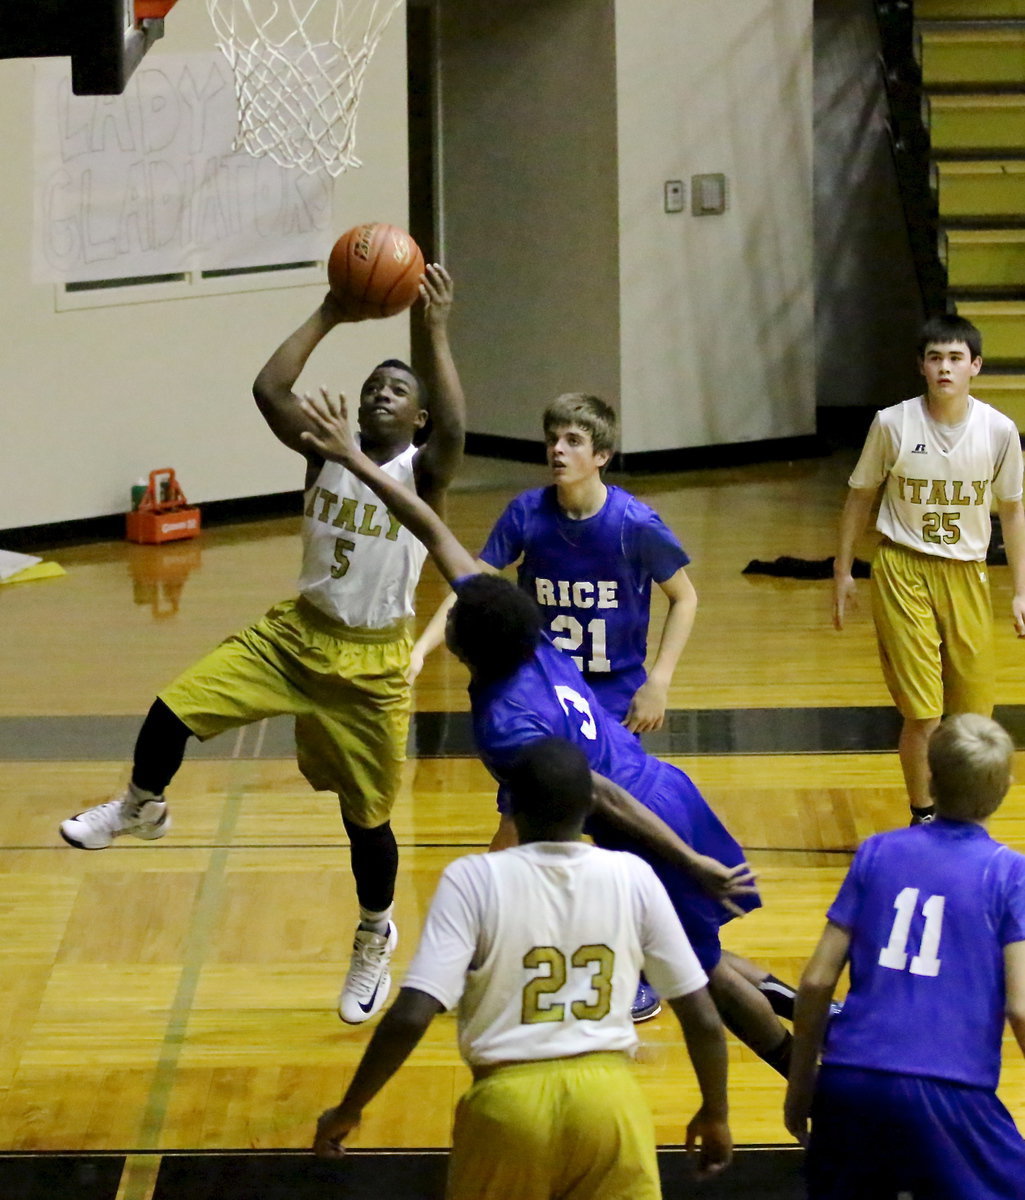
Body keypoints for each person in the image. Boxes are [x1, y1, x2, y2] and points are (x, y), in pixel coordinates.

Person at [295, 386, 797, 1076]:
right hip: (666, 789)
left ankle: (804, 1075)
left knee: (698, 974)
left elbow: (599, 797)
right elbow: (431, 532)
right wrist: (352, 457)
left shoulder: (506, 721)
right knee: (689, 944)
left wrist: (685, 861)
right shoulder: (538, 643)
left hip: (645, 815)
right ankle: (804, 1010)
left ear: (468, 650)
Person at [58, 265, 466, 1026]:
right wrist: (331, 311)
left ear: (417, 421)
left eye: (397, 390)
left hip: (372, 665)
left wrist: (434, 331)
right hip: (295, 636)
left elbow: (455, 426)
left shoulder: (426, 471)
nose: (381, 391)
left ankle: (375, 932)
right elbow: (268, 392)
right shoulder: (324, 450)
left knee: (365, 819)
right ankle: (141, 807)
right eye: (374, 382)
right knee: (170, 709)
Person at [313, 736, 733, 1196]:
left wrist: (350, 1108)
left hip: (506, 1106)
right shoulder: (632, 875)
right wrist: (716, 1113)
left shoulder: (473, 878)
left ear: (512, 807)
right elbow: (703, 1019)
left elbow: (413, 1013)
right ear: (592, 804)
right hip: (610, 1103)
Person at [409, 392, 696, 1021]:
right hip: (543, 684)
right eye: (553, 440)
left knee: (612, 834)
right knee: (517, 822)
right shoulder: (527, 513)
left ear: (602, 455)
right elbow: (472, 586)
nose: (557, 452)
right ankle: (479, 948)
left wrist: (661, 680)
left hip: (612, 694)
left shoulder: (633, 525)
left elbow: (686, 596)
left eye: (571, 442)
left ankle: (633, 961)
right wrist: (423, 650)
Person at [784, 712, 1025, 1198]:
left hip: (851, 1079)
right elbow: (1021, 1007)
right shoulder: (1009, 874)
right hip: (947, 1090)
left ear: (930, 779)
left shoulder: (877, 852)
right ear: (1006, 789)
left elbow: (814, 982)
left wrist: (801, 1087)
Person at [833, 313, 1025, 824]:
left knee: (972, 717)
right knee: (924, 712)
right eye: (935, 357)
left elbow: (1012, 509)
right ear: (921, 366)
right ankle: (922, 817)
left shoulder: (999, 431)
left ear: (975, 367)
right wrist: (844, 569)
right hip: (903, 567)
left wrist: (1020, 590)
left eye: (955, 358)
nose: (945, 367)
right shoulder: (893, 423)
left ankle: (964, 821)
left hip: (968, 572)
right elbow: (859, 497)